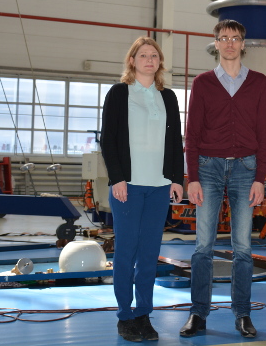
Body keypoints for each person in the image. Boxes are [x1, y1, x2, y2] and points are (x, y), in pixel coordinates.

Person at [180, 19, 266, 339]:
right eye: (224, 38)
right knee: (202, 246)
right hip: (207, 169)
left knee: (243, 248)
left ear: (243, 44)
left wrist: (261, 177)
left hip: (246, 170)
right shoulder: (203, 83)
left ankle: (243, 314)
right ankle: (198, 313)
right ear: (216, 44)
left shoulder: (259, 82)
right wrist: (192, 177)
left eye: (235, 38)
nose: (230, 43)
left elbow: (264, 133)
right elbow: (191, 134)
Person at [100, 37, 185, 342]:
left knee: (149, 255)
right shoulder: (119, 93)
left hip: (159, 187)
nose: (149, 60)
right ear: (132, 61)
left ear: (159, 62)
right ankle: (125, 315)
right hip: (129, 187)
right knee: (126, 253)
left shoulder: (168, 97)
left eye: (154, 56)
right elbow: (107, 139)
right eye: (143, 55)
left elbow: (176, 142)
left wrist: (177, 178)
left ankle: (143, 314)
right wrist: (117, 178)